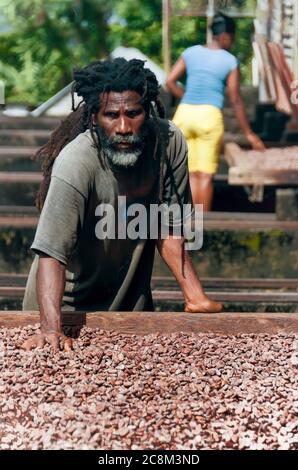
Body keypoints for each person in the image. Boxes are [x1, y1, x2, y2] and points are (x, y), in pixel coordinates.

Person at [22, 58, 222, 352]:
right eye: (111, 115)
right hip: (66, 309)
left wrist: (195, 296)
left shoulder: (169, 143)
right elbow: (52, 252)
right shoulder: (76, 162)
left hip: (131, 305)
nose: (124, 127)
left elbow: (167, 226)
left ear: (148, 111)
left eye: (133, 113)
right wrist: (51, 329)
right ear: (94, 118)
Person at [166, 12, 265, 211]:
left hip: (184, 116)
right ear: (226, 36)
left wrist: (186, 96)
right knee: (205, 176)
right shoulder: (229, 61)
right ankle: (203, 231)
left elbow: (169, 81)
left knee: (190, 174)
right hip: (208, 117)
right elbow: (235, 99)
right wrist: (249, 133)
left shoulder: (191, 52)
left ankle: (188, 227)